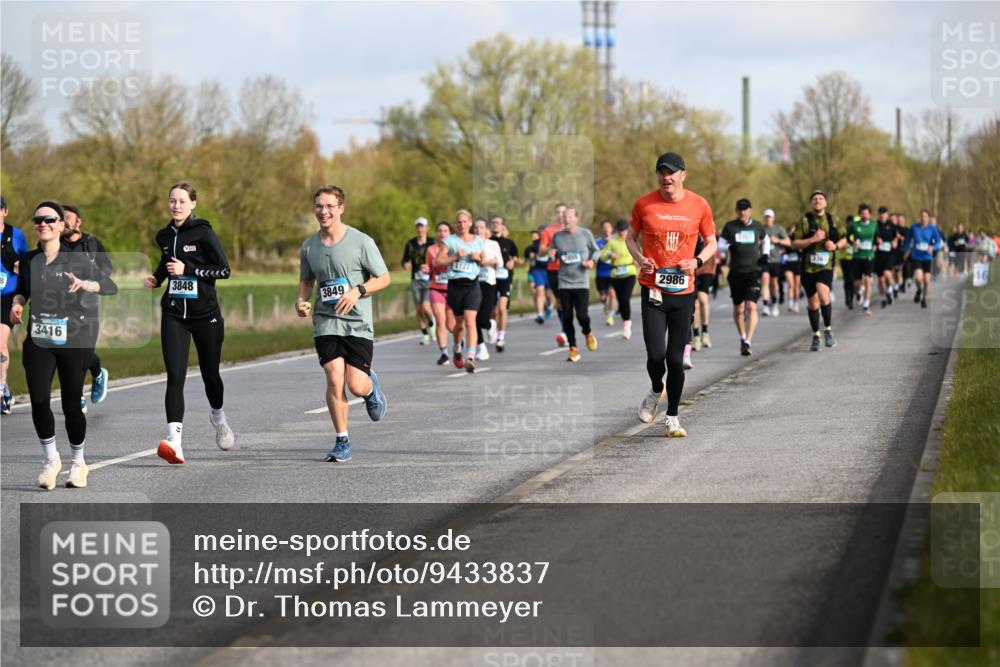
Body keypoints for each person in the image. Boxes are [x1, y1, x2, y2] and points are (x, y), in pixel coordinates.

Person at [9, 201, 118, 489]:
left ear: (60, 225)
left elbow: (110, 286)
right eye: (38, 220)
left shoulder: (77, 259)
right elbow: (22, 291)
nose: (43, 223)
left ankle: (78, 463)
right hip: (39, 337)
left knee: (71, 404)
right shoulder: (30, 260)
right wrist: (18, 304)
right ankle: (50, 460)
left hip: (74, 338)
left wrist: (86, 284)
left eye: (49, 219)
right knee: (40, 400)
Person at [143, 183, 236, 464]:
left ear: (193, 203)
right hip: (174, 314)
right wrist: (157, 279)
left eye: (182, 201)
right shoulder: (163, 235)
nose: (177, 206)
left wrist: (189, 269)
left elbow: (224, 270)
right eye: (172, 201)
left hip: (205, 314)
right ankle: (175, 442)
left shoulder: (204, 232)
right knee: (175, 376)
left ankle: (218, 418)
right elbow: (166, 262)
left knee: (211, 376)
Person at [296, 185, 390, 462]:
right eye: (318, 206)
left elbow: (384, 278)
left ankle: (371, 388)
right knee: (334, 379)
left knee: (356, 386)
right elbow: (306, 281)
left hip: (358, 323)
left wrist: (358, 291)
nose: (323, 211)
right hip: (326, 322)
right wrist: (301, 302)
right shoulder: (309, 246)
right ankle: (342, 441)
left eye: (329, 206)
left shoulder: (362, 242)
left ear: (340, 208)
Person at [629, 152, 716, 437]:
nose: (666, 177)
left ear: (683, 175)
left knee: (675, 360)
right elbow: (629, 237)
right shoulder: (644, 204)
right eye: (661, 172)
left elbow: (712, 242)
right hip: (653, 287)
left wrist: (698, 261)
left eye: (671, 172)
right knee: (656, 355)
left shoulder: (699, 205)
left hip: (683, 291)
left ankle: (673, 416)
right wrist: (640, 258)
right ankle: (656, 389)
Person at [60, 204, 112, 412]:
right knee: (69, 352)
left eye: (68, 218)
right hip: (62, 306)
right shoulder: (54, 244)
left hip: (87, 305)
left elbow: (107, 269)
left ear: (78, 221)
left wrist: (90, 281)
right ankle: (77, 394)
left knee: (84, 352)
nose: (64, 222)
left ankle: (98, 373)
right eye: (60, 218)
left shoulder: (91, 243)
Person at [790, 190, 845, 351]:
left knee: (823, 293)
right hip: (808, 267)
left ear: (825, 203)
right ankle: (816, 335)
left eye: (821, 199)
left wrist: (835, 246)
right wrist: (813, 239)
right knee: (813, 302)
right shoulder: (805, 220)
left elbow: (844, 239)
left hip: (826, 265)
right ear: (811, 203)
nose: (818, 201)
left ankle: (827, 329)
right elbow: (795, 243)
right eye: (814, 199)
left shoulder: (833, 220)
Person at [437, 209, 484, 372]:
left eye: (464, 221)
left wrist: (479, 258)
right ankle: (457, 348)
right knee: (459, 324)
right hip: (455, 286)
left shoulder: (478, 240)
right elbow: (438, 262)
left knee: (471, 321)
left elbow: (483, 261)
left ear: (470, 223)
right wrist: (455, 257)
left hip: (473, 285)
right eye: (458, 222)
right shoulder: (449, 241)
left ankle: (470, 357)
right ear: (455, 225)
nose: (462, 225)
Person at [551, 207, 600, 362]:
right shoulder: (557, 237)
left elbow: (596, 251)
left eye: (570, 216)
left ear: (576, 219)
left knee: (582, 316)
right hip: (564, 282)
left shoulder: (585, 234)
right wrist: (552, 256)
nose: (566, 219)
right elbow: (554, 258)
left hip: (581, 283)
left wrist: (592, 261)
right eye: (564, 217)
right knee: (567, 317)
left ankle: (588, 333)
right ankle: (573, 348)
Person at [720, 198, 767, 356]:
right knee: (739, 309)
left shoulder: (757, 226)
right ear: (736, 211)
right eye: (740, 209)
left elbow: (765, 239)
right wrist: (728, 245)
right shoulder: (730, 226)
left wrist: (765, 254)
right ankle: (742, 336)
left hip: (753, 271)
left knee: (751, 306)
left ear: (750, 211)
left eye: (745, 209)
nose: (742, 212)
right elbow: (719, 245)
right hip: (736, 272)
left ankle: (748, 341)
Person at [1, 195, 29, 415]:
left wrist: (21, 267)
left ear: (5, 211)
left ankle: (2, 390)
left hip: (7, 296)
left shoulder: (15, 235)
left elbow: (27, 262)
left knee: (0, 342)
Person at [599, 219, 638, 340]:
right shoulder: (612, 242)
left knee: (625, 299)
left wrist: (638, 261)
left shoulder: (632, 241)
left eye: (624, 230)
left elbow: (639, 253)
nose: (622, 233)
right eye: (620, 230)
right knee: (621, 301)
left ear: (628, 230)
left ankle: (627, 326)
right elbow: (603, 255)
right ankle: (624, 320)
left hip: (629, 273)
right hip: (616, 274)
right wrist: (610, 255)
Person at [539, 203, 569, 346]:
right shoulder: (549, 231)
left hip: (570, 270)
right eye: (558, 212)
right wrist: (551, 249)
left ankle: (566, 330)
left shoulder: (573, 230)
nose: (560, 215)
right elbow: (541, 250)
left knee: (567, 300)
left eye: (563, 212)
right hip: (553, 270)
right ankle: (565, 330)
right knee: (559, 301)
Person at [426, 221, 455, 365]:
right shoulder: (431, 249)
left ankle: (458, 347)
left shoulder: (455, 248)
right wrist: (425, 270)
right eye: (440, 231)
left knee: (452, 325)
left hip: (453, 289)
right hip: (436, 287)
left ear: (450, 232)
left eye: (445, 231)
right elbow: (429, 269)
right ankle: (444, 352)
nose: (442, 233)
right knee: (440, 320)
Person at [401, 218, 434, 345]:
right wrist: (406, 265)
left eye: (422, 226)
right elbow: (404, 260)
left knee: (426, 306)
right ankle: (425, 334)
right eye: (418, 227)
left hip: (429, 279)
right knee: (419, 309)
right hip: (416, 279)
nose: (420, 229)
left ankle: (431, 322)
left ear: (427, 228)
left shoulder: (432, 242)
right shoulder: (411, 243)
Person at [903, 209, 945, 308]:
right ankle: (918, 289)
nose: (923, 218)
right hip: (917, 256)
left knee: (926, 280)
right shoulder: (914, 227)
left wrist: (933, 247)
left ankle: (924, 299)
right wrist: (906, 250)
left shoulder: (932, 229)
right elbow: (908, 239)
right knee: (918, 278)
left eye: (925, 216)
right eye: (922, 216)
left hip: (927, 257)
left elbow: (939, 242)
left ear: (928, 218)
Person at [474, 218, 502, 361]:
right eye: (476, 227)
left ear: (487, 231)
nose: (479, 230)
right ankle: (481, 348)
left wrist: (492, 262)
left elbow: (501, 263)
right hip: (474, 284)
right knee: (473, 319)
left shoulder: (493, 244)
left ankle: (491, 325)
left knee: (484, 318)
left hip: (489, 283)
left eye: (482, 227)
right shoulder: (470, 245)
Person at [490, 216, 518, 351]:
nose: (496, 225)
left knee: (502, 308)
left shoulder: (509, 242)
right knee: (493, 311)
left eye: (498, 223)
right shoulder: (487, 242)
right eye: (493, 223)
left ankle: (501, 337)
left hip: (504, 278)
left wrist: (513, 261)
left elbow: (515, 256)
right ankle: (493, 329)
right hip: (490, 278)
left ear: (502, 226)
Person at [847, 203, 878, 316]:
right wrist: (852, 243)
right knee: (857, 283)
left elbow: (878, 237)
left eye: (866, 213)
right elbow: (846, 237)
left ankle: (866, 305)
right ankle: (858, 292)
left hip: (869, 256)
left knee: (868, 280)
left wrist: (876, 244)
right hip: (857, 256)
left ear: (870, 214)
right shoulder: (854, 225)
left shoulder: (874, 224)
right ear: (859, 214)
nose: (864, 215)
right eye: (862, 213)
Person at [761, 208, 790, 317]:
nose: (768, 219)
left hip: (776, 260)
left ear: (773, 218)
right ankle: (765, 306)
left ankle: (774, 303)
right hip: (764, 260)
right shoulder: (761, 229)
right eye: (766, 217)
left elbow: (788, 242)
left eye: (770, 217)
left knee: (774, 283)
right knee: (765, 281)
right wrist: (760, 242)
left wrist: (778, 240)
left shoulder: (779, 229)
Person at [691, 231, 715, 350]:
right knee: (694, 304)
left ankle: (705, 331)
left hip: (706, 269)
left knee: (703, 298)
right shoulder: (690, 231)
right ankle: (696, 335)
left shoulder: (708, 231)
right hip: (692, 270)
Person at [874, 206, 898, 308]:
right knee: (880, 280)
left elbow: (895, 237)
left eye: (884, 213)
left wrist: (895, 242)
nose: (882, 215)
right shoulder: (875, 225)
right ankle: (884, 298)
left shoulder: (891, 225)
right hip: (878, 255)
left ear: (887, 215)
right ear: (879, 215)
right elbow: (871, 237)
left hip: (889, 254)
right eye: (880, 213)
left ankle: (890, 290)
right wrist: (876, 240)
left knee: (887, 274)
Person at [525, 228, 550, 324]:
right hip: (537, 270)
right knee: (539, 291)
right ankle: (540, 314)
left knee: (548, 294)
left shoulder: (553, 241)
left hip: (549, 270)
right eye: (541, 232)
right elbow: (530, 255)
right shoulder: (536, 244)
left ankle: (548, 305)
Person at [595, 219, 617, 326]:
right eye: (604, 227)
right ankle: (605, 304)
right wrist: (604, 254)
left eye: (608, 227)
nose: (606, 229)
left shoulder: (617, 241)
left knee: (613, 294)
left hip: (614, 272)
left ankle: (610, 316)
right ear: (602, 229)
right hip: (601, 273)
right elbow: (594, 254)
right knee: (602, 297)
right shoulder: (597, 242)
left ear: (612, 229)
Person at [839, 214, 858, 310]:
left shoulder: (855, 231)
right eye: (849, 223)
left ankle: (851, 297)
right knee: (847, 279)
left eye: (852, 223)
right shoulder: (843, 231)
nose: (851, 224)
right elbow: (839, 242)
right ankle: (848, 298)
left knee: (852, 279)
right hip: (844, 258)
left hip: (854, 258)